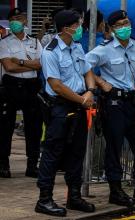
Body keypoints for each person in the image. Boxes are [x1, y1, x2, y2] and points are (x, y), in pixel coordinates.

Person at [85, 10, 135, 208]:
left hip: (132, 103)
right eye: (120, 25)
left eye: (127, 23)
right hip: (113, 104)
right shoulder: (103, 49)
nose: (125, 27)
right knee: (114, 147)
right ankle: (116, 190)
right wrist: (101, 82)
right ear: (111, 29)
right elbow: (83, 65)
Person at [35, 10, 96, 216]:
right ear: (66, 28)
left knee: (77, 152)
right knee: (53, 153)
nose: (80, 27)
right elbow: (56, 85)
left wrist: (90, 91)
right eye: (78, 24)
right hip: (60, 107)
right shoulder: (50, 51)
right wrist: (83, 100)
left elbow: (88, 71)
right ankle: (44, 199)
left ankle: (74, 197)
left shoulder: (77, 47)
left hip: (80, 105)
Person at [0, 8, 43, 178]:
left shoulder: (34, 42)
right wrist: (28, 64)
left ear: (25, 21)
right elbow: (8, 67)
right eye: (13, 19)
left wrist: (21, 61)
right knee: (5, 126)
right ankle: (3, 164)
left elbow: (39, 65)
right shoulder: (4, 42)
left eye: (19, 18)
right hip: (10, 86)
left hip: (31, 86)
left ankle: (32, 165)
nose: (16, 22)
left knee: (34, 127)